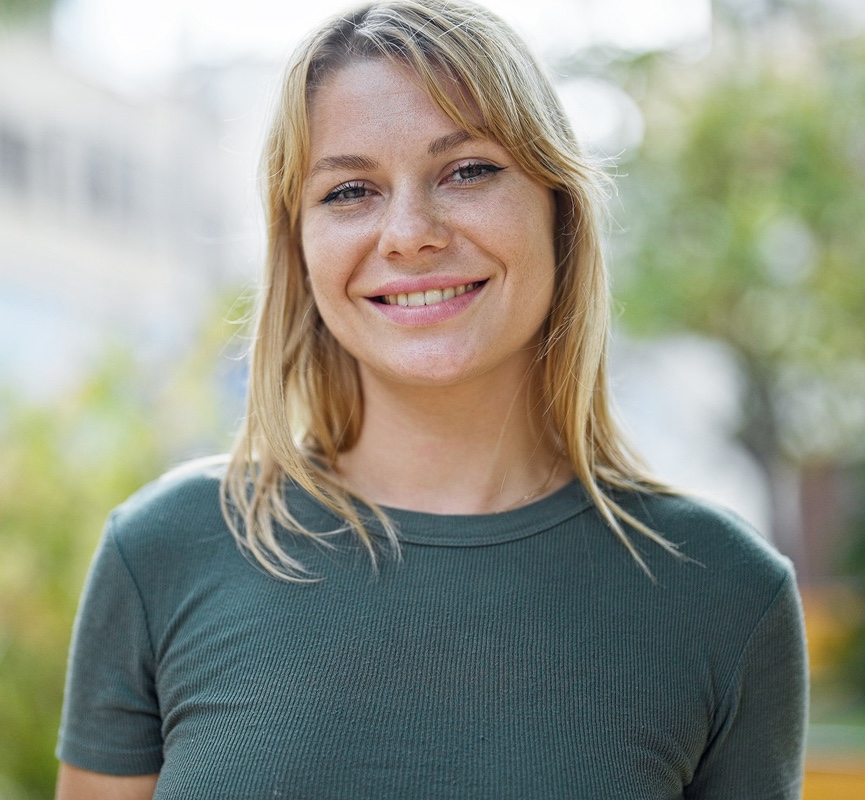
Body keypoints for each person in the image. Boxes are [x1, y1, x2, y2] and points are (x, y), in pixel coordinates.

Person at [55, 1, 808, 798]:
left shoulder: (724, 592)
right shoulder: (164, 551)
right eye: (350, 190)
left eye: (468, 171)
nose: (409, 233)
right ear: (299, 247)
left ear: (557, 209)